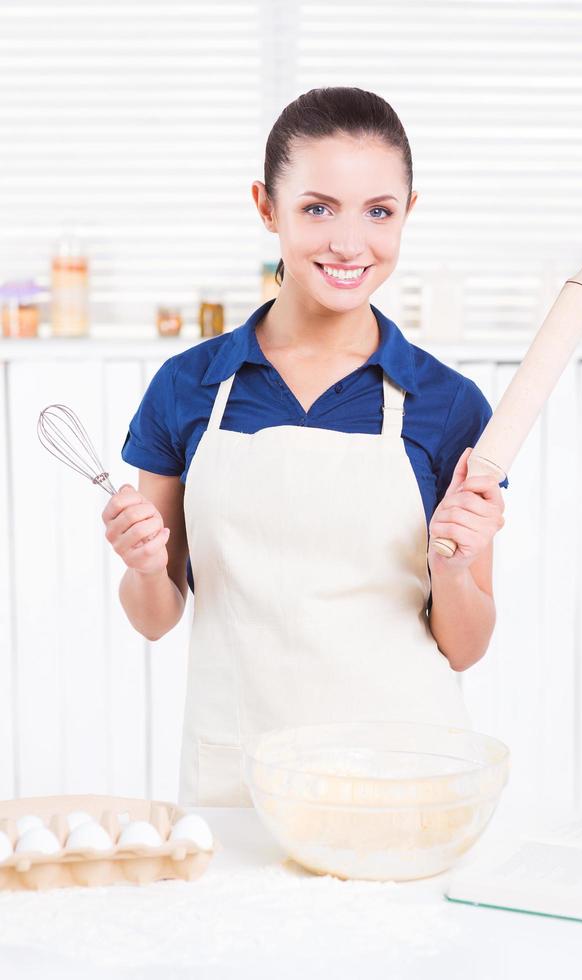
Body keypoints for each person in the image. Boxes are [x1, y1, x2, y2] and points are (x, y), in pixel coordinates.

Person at [102, 87, 509, 807]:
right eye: (318, 208)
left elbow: (465, 646)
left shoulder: (449, 407)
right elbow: (156, 616)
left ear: (409, 212)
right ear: (266, 207)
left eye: (378, 211)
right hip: (242, 778)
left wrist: (455, 566)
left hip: (403, 779)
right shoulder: (188, 387)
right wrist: (141, 567)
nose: (350, 244)